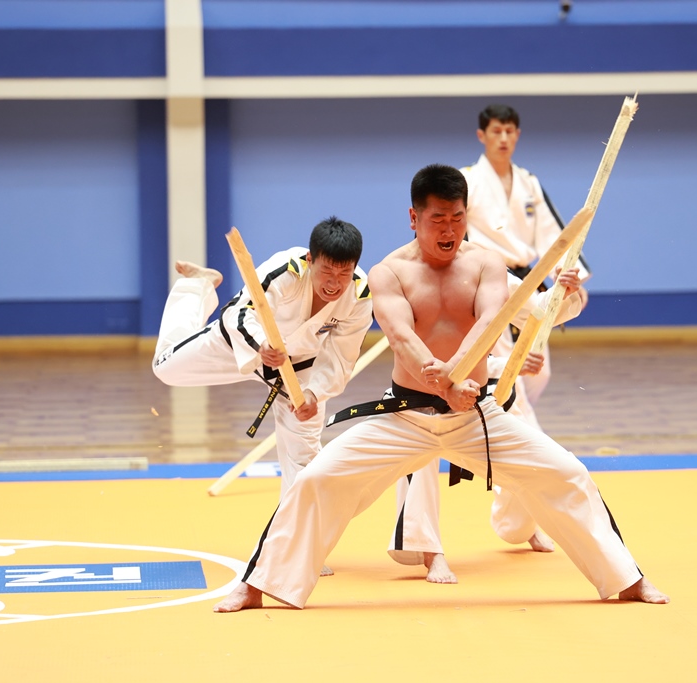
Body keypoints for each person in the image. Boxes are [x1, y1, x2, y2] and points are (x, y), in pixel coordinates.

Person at [214, 164, 667, 612]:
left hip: (475, 415)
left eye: (457, 218)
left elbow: (491, 320)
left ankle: (626, 579)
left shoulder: (486, 264)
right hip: (405, 415)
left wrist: (456, 379)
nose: (449, 230)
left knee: (567, 473)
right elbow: (402, 337)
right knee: (315, 480)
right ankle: (258, 585)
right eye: (438, 219)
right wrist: (445, 379)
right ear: (414, 218)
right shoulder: (390, 272)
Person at [152, 217, 373, 577]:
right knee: (165, 367)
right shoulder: (284, 270)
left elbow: (341, 356)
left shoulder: (360, 295)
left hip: (299, 369)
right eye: (327, 272)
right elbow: (238, 313)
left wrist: (314, 393)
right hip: (242, 344)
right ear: (310, 260)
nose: (334, 283)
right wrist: (260, 345)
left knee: (304, 457)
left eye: (343, 274)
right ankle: (198, 286)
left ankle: (301, 548)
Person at [385, 265, 586, 580]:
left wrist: (563, 290)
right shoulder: (403, 276)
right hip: (422, 388)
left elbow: (538, 311)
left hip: (486, 384)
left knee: (527, 453)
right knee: (416, 452)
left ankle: (519, 525)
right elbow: (408, 348)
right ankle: (428, 550)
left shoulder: (489, 269)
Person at [460, 103, 590, 406]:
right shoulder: (467, 180)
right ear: (482, 135)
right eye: (496, 131)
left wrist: (570, 277)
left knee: (537, 371)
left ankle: (511, 419)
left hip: (527, 282)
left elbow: (552, 234)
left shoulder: (528, 182)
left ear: (517, 134)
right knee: (504, 367)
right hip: (485, 282)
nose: (503, 138)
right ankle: (505, 419)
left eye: (509, 131)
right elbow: (454, 232)